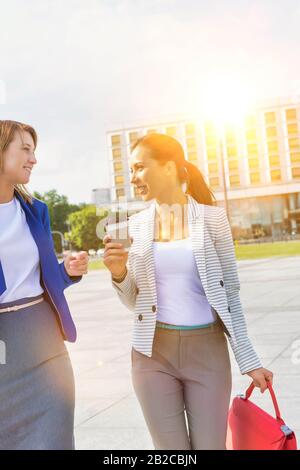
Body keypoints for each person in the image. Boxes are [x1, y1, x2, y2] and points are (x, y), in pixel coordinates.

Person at [103, 133, 273, 450]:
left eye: (140, 167)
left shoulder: (213, 219)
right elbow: (135, 301)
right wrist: (119, 273)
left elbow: (231, 296)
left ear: (168, 167)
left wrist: (248, 360)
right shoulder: (137, 224)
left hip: (207, 352)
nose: (134, 178)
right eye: (131, 170)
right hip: (151, 354)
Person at [0, 120, 88, 450]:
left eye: (34, 151)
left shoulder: (36, 211)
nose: (33, 159)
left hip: (45, 343)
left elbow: (44, 279)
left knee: (55, 439)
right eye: (24, 149)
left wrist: (68, 271)